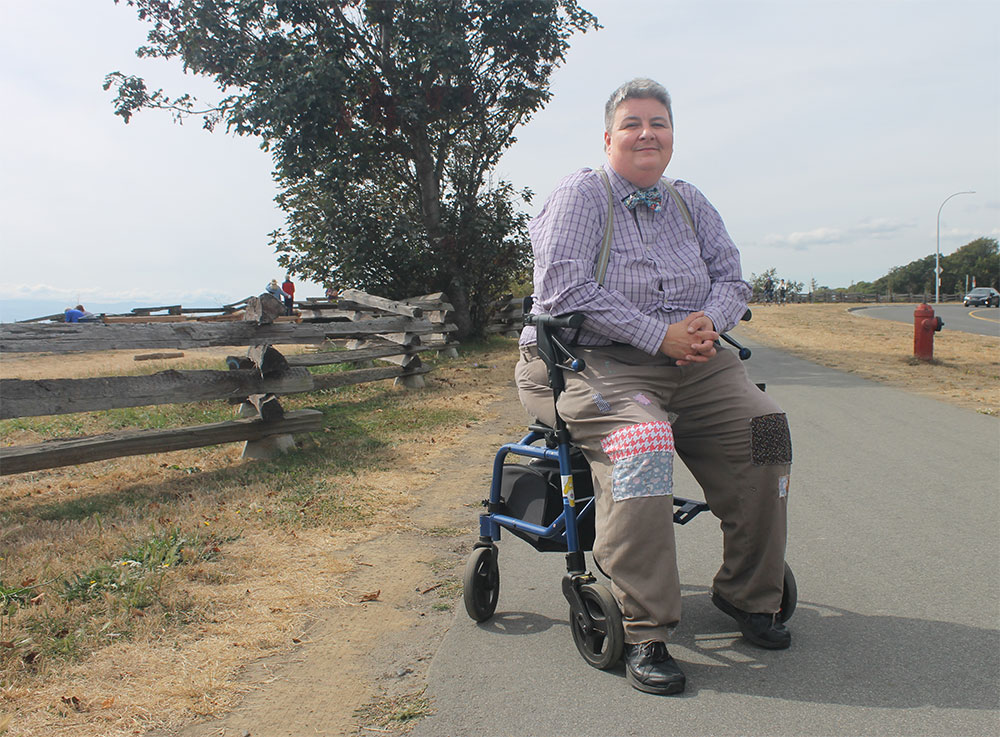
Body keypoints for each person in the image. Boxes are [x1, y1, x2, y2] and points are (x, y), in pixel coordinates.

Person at [515, 78, 792, 696]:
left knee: (767, 430)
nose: (648, 133)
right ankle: (646, 627)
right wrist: (657, 335)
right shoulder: (581, 196)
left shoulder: (689, 200)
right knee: (643, 445)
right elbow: (564, 293)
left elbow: (731, 278)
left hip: (696, 361)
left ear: (672, 136)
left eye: (659, 123)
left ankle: (750, 593)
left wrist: (706, 325)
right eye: (634, 123)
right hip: (592, 360)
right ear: (609, 137)